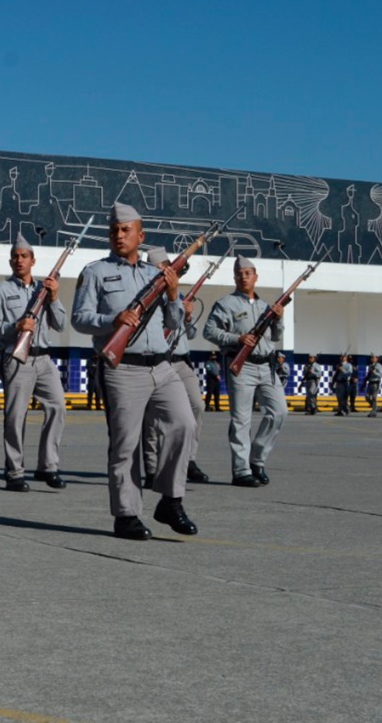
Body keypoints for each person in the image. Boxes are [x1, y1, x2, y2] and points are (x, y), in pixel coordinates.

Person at [71, 202, 197, 541]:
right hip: (122, 369)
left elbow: (174, 324)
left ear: (141, 236)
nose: (119, 235)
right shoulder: (95, 272)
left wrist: (173, 295)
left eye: (126, 230)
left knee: (185, 424)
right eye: (114, 230)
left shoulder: (155, 274)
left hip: (162, 366)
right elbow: (79, 319)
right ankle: (126, 515)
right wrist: (111, 321)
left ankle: (171, 500)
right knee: (126, 445)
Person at [0, 234, 68, 491]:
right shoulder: (0, 290)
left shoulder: (44, 289)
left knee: (58, 406)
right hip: (17, 358)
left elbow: (61, 323)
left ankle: (48, 466)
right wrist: (16, 326)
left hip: (44, 358)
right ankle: (14, 471)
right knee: (15, 416)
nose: (19, 260)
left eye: (24, 256)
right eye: (15, 257)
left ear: (33, 260)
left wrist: (54, 297)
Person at [203, 256, 286, 488]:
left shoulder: (264, 306)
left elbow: (276, 337)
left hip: (266, 367)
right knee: (241, 419)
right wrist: (236, 338)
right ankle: (241, 471)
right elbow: (209, 331)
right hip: (242, 366)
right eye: (239, 273)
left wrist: (279, 319)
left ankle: (257, 459)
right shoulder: (225, 304)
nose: (243, 277)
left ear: (256, 277)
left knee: (279, 412)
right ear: (235, 277)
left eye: (248, 273)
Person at [140, 247, 209, 487]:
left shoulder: (176, 296)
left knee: (197, 406)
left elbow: (190, 332)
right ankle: (151, 467)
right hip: (157, 360)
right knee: (150, 419)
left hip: (180, 361)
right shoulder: (144, 298)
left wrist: (187, 317)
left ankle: (188, 460)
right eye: (161, 267)